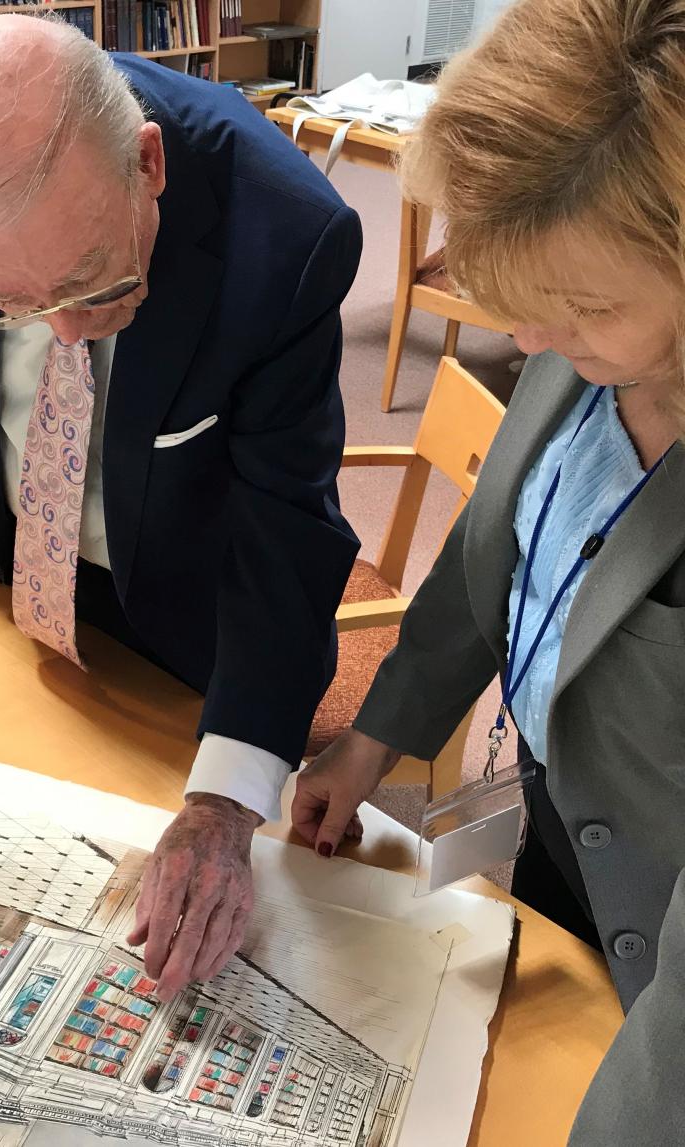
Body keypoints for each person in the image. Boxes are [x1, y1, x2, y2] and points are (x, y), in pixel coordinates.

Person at [0, 16, 362, 997]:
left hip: (189, 616)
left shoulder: (287, 236)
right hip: (21, 574)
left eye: (93, 282)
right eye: (9, 300)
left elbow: (288, 528)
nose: (65, 331)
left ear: (147, 163)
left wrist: (228, 805)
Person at [291, 1, 685, 1141]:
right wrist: (374, 737)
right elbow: (497, 553)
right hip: (570, 826)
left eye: (584, 310)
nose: (538, 345)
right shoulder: (591, 343)